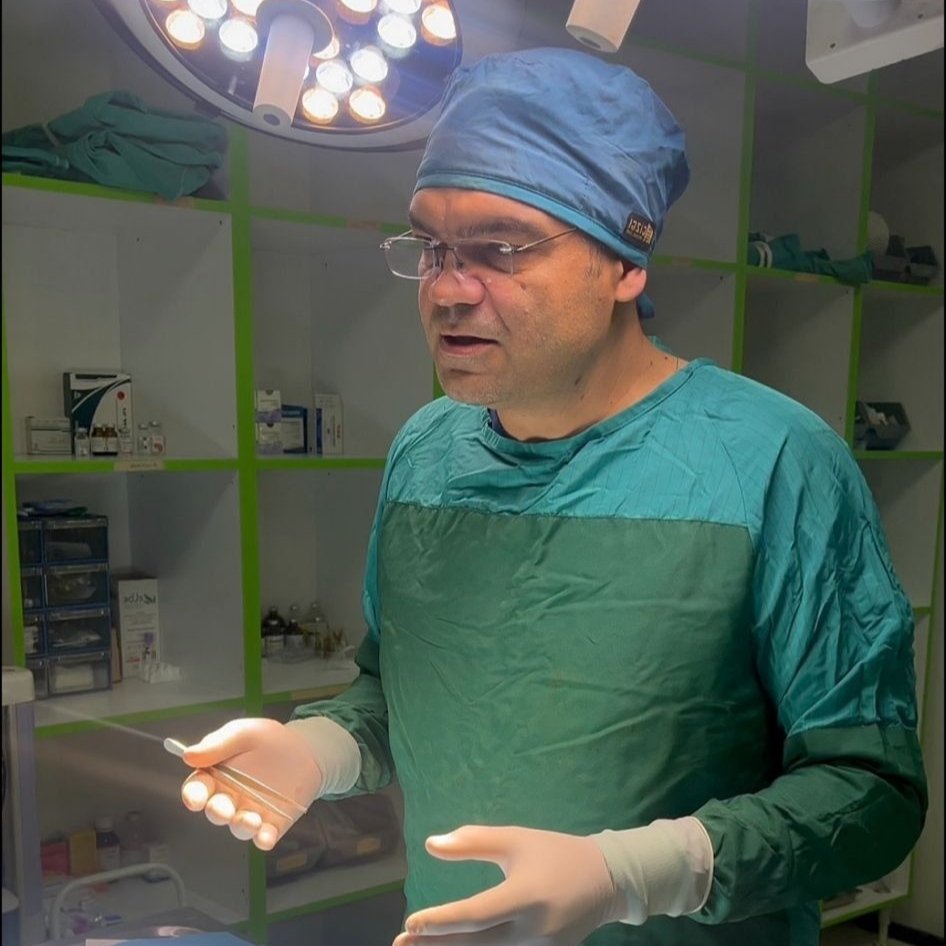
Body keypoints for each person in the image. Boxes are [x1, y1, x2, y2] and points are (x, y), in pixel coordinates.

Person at [178, 47, 927, 946]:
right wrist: (316, 750)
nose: (448, 290)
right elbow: (400, 693)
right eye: (431, 248)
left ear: (626, 263)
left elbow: (868, 792)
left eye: (499, 250)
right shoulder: (429, 451)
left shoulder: (773, 462)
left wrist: (633, 874)